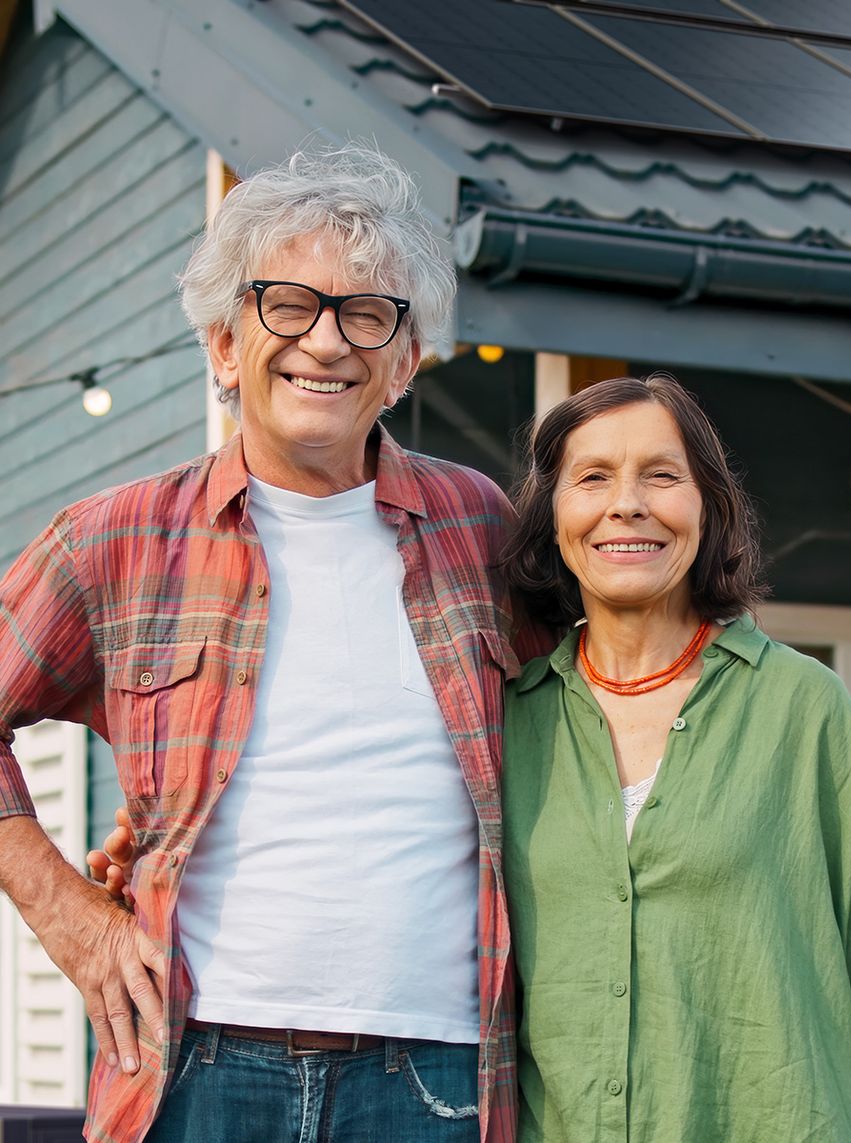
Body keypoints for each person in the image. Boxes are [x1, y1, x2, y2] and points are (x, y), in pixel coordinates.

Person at [0, 142, 545, 1143]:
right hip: (193, 1067)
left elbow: (602, 704)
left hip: (435, 1078)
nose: (326, 342)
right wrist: (67, 913)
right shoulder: (117, 538)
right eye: (286, 304)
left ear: (403, 362)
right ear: (221, 344)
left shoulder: (481, 528)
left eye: (366, 313)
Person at [497, 373, 851, 1142]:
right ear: (554, 516)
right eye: (594, 477)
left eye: (662, 475)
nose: (628, 503)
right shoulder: (510, 724)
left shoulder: (804, 709)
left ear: (708, 507)